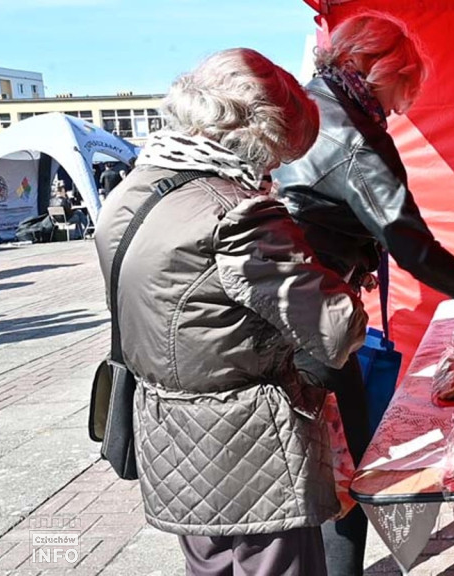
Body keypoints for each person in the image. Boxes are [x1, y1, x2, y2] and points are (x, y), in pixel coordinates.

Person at [273, 11, 454, 576]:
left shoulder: (310, 103)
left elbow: (319, 210)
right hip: (312, 322)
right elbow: (413, 246)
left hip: (289, 306)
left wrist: (355, 254)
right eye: (402, 89)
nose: (400, 107)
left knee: (319, 464)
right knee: (346, 471)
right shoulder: (354, 134)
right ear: (376, 68)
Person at [94, 47, 368, 575]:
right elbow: (338, 330)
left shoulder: (132, 191)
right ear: (261, 135)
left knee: (210, 564)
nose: (278, 169)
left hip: (168, 431)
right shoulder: (240, 213)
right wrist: (341, 278)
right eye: (282, 154)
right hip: (252, 441)